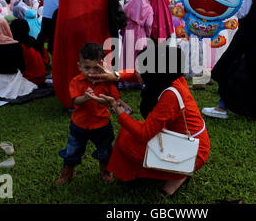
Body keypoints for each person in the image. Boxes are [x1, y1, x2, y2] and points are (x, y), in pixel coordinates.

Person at [89, 42, 210, 196]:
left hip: (192, 151)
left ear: (153, 74)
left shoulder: (170, 95)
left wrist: (115, 107)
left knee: (128, 141)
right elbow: (138, 74)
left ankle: (179, 174)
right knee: (128, 135)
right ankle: (160, 173)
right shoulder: (170, 77)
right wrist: (115, 75)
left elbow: (143, 133)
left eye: (142, 69)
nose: (137, 72)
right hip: (181, 138)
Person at [53, 0, 114, 108]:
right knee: (95, 61)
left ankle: (72, 97)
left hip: (71, 26)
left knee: (73, 60)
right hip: (95, 25)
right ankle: (97, 95)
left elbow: (64, 2)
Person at [55, 43, 120, 186]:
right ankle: (67, 173)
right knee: (72, 150)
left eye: (96, 68)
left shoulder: (106, 81)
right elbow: (75, 101)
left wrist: (108, 101)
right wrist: (85, 97)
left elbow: (114, 100)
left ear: (102, 66)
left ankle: (105, 172)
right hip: (80, 124)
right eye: (87, 68)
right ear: (79, 66)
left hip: (102, 124)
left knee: (105, 151)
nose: (91, 72)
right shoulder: (76, 82)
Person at [120, 0, 153, 73]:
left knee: (128, 55)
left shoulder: (126, 7)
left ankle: (127, 79)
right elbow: (149, 24)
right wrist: (148, 35)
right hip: (141, 33)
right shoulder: (147, 8)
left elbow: (122, 22)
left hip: (128, 32)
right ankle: (139, 79)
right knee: (140, 56)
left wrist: (123, 33)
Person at [9, 19, 46, 85]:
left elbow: (19, 67)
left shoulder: (19, 45)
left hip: (30, 79)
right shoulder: (32, 39)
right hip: (42, 77)